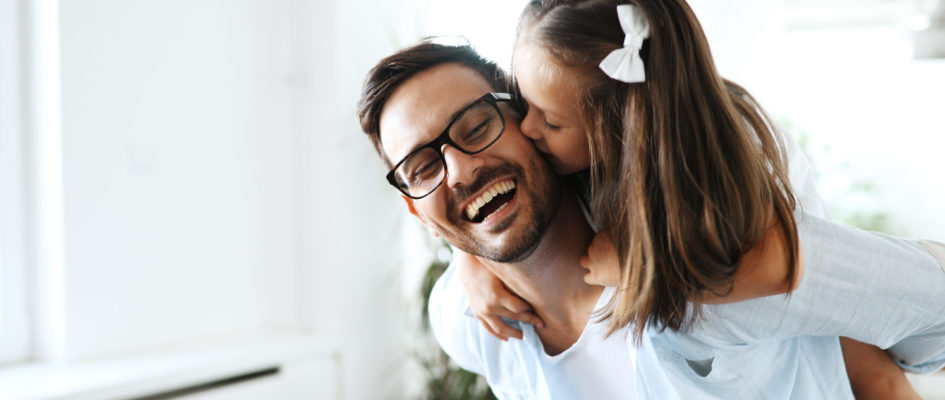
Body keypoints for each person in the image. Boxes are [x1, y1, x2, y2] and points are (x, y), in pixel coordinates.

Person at [357, 40, 917, 398]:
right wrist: (466, 255)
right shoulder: (468, 325)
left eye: (476, 128)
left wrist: (675, 270)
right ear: (416, 211)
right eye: (424, 166)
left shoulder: (707, 256)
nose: (458, 170)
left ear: (530, 120)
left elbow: (880, 367)